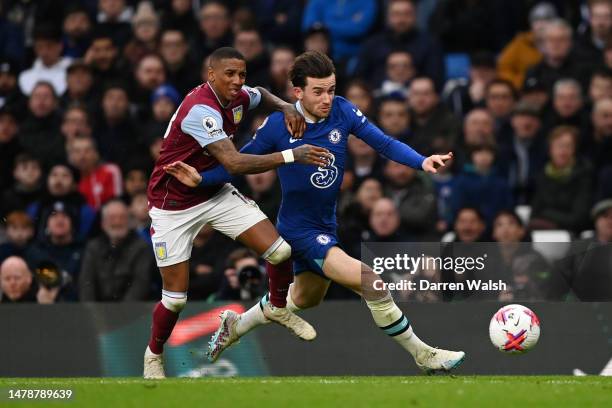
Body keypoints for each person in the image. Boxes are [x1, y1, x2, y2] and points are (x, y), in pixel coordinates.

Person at [172, 51, 464, 373]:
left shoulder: (342, 111)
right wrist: (203, 179)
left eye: (331, 90)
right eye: (318, 92)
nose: (327, 99)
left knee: (305, 299)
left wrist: (421, 161)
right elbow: (238, 164)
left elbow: (382, 142)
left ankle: (237, 325)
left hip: (326, 224)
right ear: (297, 92)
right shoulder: (276, 125)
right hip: (299, 230)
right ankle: (424, 355)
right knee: (372, 282)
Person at [144, 47, 331, 379]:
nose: (237, 80)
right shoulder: (201, 110)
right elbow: (234, 163)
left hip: (213, 193)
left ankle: (276, 308)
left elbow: (262, 95)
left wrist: (288, 106)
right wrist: (291, 155)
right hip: (171, 206)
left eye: (241, 74)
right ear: (210, 74)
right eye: (229, 74)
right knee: (174, 300)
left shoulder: (239, 95)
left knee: (280, 251)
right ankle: (153, 355)